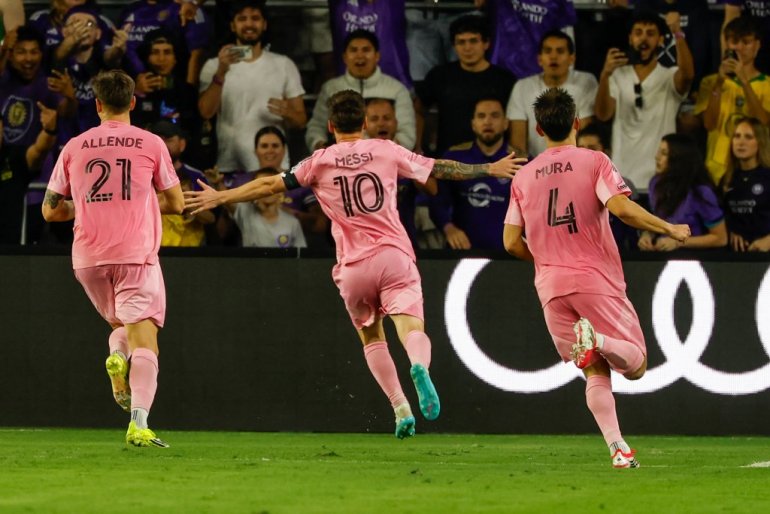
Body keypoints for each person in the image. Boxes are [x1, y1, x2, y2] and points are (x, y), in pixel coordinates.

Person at [186, 89, 525, 438]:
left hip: (353, 269)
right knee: (411, 328)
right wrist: (488, 168)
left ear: (331, 126)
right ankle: (419, 365)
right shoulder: (386, 150)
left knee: (372, 338)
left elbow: (271, 184)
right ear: (364, 123)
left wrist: (221, 195)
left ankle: (400, 408)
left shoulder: (318, 161)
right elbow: (439, 168)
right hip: (393, 256)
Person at [503, 88, 690, 468]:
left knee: (594, 370)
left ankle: (618, 448)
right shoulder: (593, 161)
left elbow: (509, 242)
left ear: (539, 129)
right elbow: (622, 208)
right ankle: (599, 338)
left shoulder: (522, 177)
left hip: (550, 287)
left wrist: (546, 261)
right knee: (636, 365)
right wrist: (668, 228)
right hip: (594, 279)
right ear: (576, 122)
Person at [41, 70, 184, 447]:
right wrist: (137, 201)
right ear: (133, 102)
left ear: (98, 104)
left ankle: (117, 356)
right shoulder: (151, 143)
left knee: (123, 326)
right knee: (146, 342)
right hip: (134, 254)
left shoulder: (74, 146)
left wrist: (88, 206)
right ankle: (139, 422)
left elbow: (50, 210)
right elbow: (176, 203)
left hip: (88, 259)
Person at [198, 0, 306, 177]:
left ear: (264, 24)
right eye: (242, 19)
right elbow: (205, 112)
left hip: (273, 166)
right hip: (230, 164)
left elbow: (301, 120)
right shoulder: (214, 65)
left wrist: (288, 112)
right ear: (233, 26)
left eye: (255, 18)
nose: (249, 24)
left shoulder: (284, 64)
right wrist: (221, 72)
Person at [594, 10, 694, 190]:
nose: (644, 38)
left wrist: (677, 33)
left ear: (661, 40)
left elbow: (687, 75)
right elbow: (603, 114)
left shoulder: (669, 76)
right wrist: (604, 75)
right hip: (622, 177)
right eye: (638, 33)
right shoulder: (617, 75)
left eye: (650, 33)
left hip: (660, 177)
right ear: (630, 38)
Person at [415, 14, 515, 156]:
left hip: (495, 160)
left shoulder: (505, 79)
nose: (467, 48)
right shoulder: (440, 75)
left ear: (486, 44)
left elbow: (514, 122)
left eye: (473, 41)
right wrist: (417, 146)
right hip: (449, 160)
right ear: (454, 46)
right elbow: (418, 109)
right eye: (461, 42)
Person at [305, 29, 415, 152]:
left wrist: (382, 154)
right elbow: (316, 127)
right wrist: (322, 148)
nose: (360, 56)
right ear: (344, 57)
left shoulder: (397, 89)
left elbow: (407, 132)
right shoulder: (330, 88)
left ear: (377, 56)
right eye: (353, 50)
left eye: (366, 50)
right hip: (339, 158)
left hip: (386, 159)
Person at [694, 16, 770, 186]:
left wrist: (744, 82)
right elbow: (709, 124)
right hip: (716, 171)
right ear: (727, 44)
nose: (740, 47)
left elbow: (763, 123)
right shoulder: (710, 82)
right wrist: (719, 83)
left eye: (746, 42)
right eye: (735, 41)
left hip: (756, 170)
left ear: (757, 45)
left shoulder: (767, 84)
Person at [431, 97, 512, 250]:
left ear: (506, 123)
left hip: (507, 255)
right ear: (473, 124)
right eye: (481, 116)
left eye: (494, 116)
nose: (487, 122)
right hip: (462, 252)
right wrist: (448, 228)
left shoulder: (521, 162)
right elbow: (437, 202)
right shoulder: (453, 158)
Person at [507, 30, 597, 159]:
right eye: (548, 51)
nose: (553, 57)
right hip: (536, 166)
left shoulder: (586, 82)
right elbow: (518, 146)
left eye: (560, 51)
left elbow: (586, 136)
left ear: (572, 58)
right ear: (539, 59)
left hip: (574, 163)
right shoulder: (522, 87)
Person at [364, 97, 437, 248]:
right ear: (365, 125)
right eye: (374, 119)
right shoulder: (355, 161)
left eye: (387, 118)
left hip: (404, 246)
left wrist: (409, 163)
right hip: (367, 247)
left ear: (396, 123)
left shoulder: (409, 157)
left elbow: (432, 189)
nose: (381, 123)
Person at [639, 134, 727, 251]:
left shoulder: (701, 192)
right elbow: (659, 220)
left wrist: (679, 243)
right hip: (662, 255)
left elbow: (720, 238)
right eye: (659, 152)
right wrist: (647, 234)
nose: (657, 157)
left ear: (679, 158)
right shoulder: (655, 184)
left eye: (664, 153)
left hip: (696, 257)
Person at [149, 119, 215, 247]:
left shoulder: (196, 177)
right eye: (158, 140)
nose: (163, 144)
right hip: (152, 247)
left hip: (190, 249)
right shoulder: (142, 175)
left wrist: (187, 203)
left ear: (182, 144)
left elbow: (210, 219)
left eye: (168, 140)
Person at [722, 117, 770, 252]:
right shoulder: (727, 179)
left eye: (748, 137)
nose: (741, 142)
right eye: (737, 136)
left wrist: (768, 241)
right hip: (735, 255)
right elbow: (719, 217)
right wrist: (730, 232)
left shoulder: (767, 177)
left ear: (760, 142)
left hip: (764, 253)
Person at [230, 167, 307, 248]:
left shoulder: (292, 223)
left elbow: (299, 254)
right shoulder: (245, 213)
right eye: (261, 186)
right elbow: (227, 201)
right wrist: (220, 184)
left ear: (281, 191)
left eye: (272, 185)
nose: (266, 190)